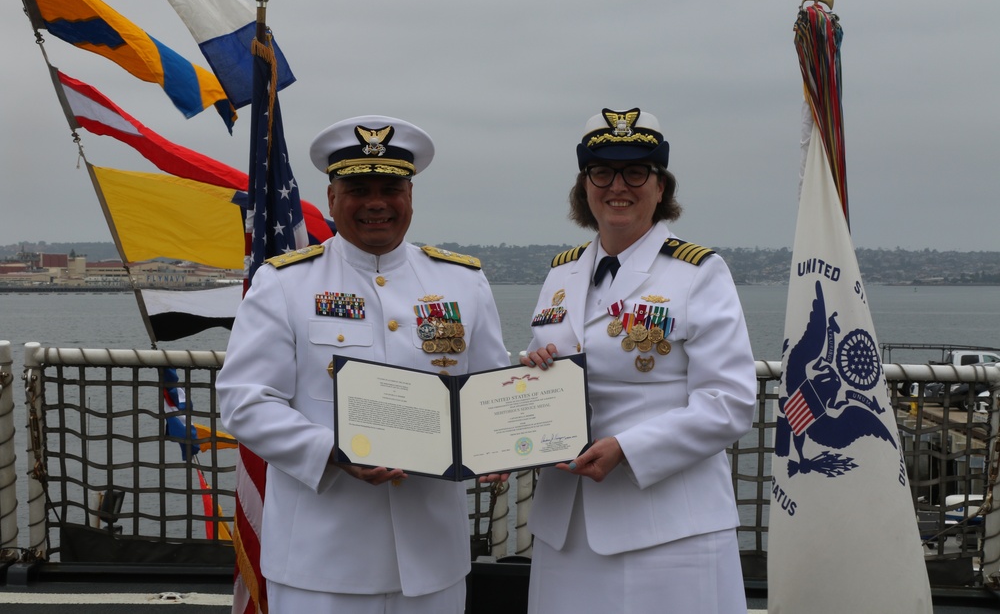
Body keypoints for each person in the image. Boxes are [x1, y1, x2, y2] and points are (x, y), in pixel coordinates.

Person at [217, 115, 510, 613]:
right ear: (332, 197)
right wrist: (335, 452)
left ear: (410, 196)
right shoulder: (285, 284)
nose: (376, 202)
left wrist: (510, 434)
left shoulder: (463, 283)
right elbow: (244, 402)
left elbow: (490, 392)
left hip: (432, 559)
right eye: (357, 188)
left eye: (391, 187)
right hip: (322, 560)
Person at [520, 107, 757, 613]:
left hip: (665, 529)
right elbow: (557, 373)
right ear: (584, 186)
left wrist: (627, 448)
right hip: (566, 527)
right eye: (601, 172)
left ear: (660, 187)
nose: (617, 186)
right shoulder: (561, 274)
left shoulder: (698, 274)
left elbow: (729, 402)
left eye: (635, 172)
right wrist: (530, 374)